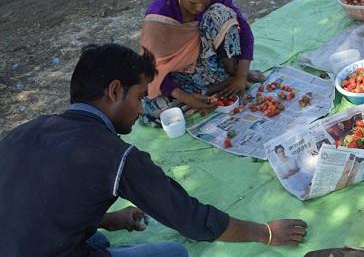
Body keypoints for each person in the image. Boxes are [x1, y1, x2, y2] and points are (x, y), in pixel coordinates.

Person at [0, 44, 307, 256]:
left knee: (98, 237)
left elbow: (34, 203)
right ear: (115, 91)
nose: (141, 109)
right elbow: (190, 219)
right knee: (174, 252)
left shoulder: (26, 131)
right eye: (139, 98)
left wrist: (107, 219)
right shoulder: (116, 156)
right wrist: (265, 232)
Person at [140, 0, 264, 121]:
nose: (199, 8)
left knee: (222, 14)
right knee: (155, 111)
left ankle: (232, 75)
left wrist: (241, 74)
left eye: (204, 3)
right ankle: (217, 85)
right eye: (192, 3)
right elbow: (150, 67)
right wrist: (186, 98)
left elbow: (244, 30)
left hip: (207, 58)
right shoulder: (159, 15)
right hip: (177, 71)